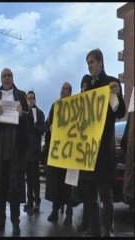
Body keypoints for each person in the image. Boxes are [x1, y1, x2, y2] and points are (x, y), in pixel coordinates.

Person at [79, 49, 126, 237]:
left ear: (100, 62)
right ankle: (96, 232)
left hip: (103, 152)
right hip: (87, 153)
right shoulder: (88, 88)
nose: (89, 66)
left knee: (106, 196)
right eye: (87, 63)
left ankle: (108, 232)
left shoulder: (110, 84)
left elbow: (119, 111)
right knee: (91, 199)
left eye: (91, 62)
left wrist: (117, 95)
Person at [0, 68, 33, 235]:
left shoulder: (20, 96)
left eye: (9, 75)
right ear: (1, 79)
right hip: (0, 150)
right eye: (4, 76)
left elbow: (30, 120)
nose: (6, 78)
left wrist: (22, 115)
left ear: (13, 78)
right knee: (0, 185)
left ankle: (15, 222)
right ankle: (0, 220)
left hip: (15, 150)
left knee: (14, 188)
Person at [44, 82, 74, 226]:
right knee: (56, 183)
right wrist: (49, 126)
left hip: (69, 152)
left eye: (66, 89)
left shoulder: (75, 106)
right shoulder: (55, 106)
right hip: (57, 151)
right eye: (62, 88)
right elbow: (48, 124)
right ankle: (55, 211)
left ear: (70, 92)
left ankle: (69, 213)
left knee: (68, 184)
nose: (63, 91)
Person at [23, 90, 45, 213]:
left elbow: (42, 129)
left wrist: (34, 125)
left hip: (35, 151)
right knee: (28, 179)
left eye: (32, 98)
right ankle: (29, 201)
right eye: (28, 98)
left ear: (35, 99)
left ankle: (37, 201)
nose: (30, 100)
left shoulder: (40, 113)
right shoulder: (25, 113)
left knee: (35, 179)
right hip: (26, 151)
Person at [75, 74, 92, 232]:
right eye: (82, 85)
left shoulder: (94, 101)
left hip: (91, 154)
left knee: (91, 193)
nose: (84, 88)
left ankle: (89, 221)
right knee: (83, 189)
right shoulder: (77, 104)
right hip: (79, 155)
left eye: (86, 85)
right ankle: (87, 220)